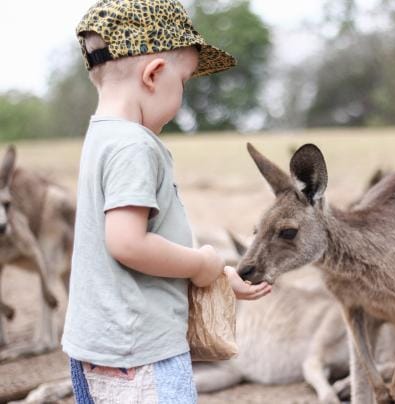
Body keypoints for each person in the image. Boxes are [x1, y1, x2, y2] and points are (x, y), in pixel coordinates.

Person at [61, 1, 272, 402]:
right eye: (186, 81)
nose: (184, 95)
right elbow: (127, 244)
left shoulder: (101, 137)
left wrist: (219, 276)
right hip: (141, 354)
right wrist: (201, 263)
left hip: (96, 348)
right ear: (154, 74)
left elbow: (140, 251)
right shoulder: (134, 145)